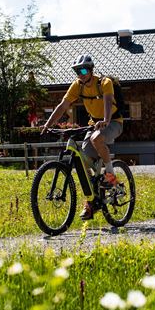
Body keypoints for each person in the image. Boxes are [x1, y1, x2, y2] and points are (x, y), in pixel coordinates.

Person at [41, 54, 124, 220]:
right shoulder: (77, 86)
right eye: (77, 71)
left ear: (91, 69)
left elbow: (108, 102)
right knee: (83, 160)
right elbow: (63, 105)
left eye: (84, 69)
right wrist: (47, 124)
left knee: (96, 139)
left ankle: (110, 176)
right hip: (94, 124)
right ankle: (92, 201)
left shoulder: (104, 83)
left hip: (113, 122)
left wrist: (106, 120)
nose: (81, 73)